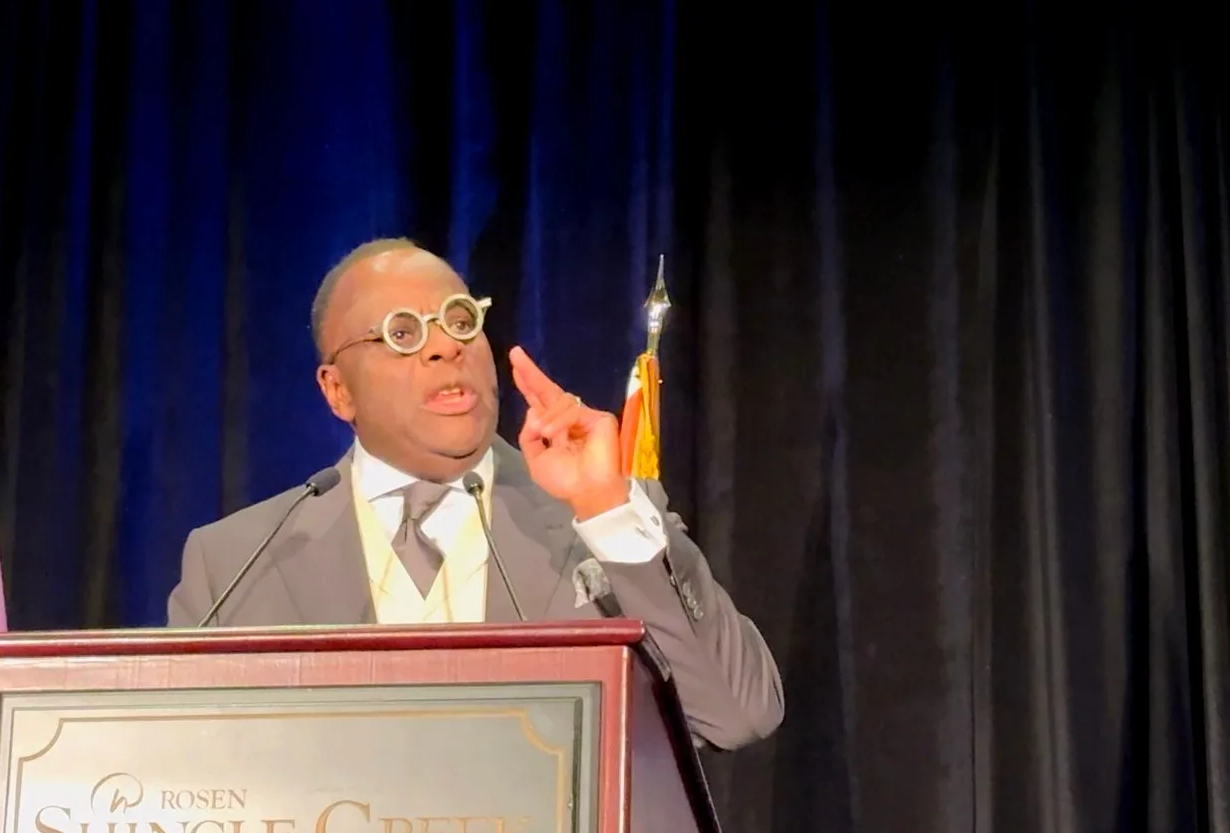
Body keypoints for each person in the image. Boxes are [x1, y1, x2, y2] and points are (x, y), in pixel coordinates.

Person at [166, 238, 783, 750]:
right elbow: (192, 779)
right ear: (337, 391)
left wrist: (608, 510)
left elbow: (737, 715)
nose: (445, 346)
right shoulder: (236, 563)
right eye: (403, 333)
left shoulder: (600, 516)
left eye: (461, 320)